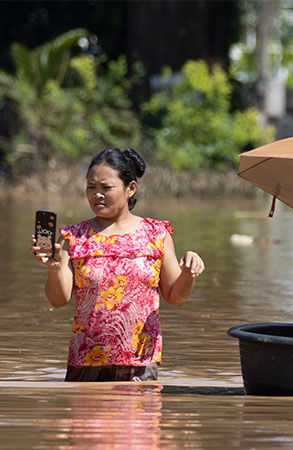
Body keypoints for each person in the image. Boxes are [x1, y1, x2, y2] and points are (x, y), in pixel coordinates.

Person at [30, 147, 205, 382]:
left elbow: (176, 297)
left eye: (106, 187)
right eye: (91, 187)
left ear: (130, 188)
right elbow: (58, 300)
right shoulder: (74, 237)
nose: (97, 195)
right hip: (86, 361)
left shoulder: (156, 234)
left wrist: (189, 273)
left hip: (140, 363)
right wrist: (54, 268)